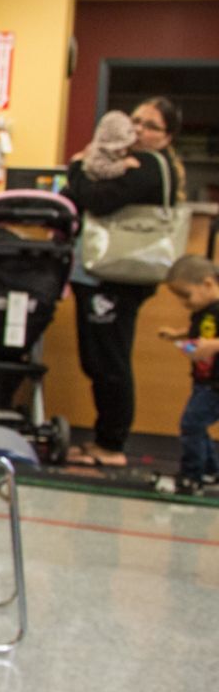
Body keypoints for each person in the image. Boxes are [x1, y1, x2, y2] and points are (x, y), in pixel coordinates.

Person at [65, 96, 186, 468]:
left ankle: (111, 445)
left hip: (116, 281)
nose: (138, 130)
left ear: (166, 137)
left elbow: (95, 199)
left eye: (150, 126)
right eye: (134, 121)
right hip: (104, 277)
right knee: (99, 358)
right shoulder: (128, 162)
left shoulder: (149, 165)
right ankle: (105, 438)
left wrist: (75, 167)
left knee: (109, 361)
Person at [155, 255, 219, 496]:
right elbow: (199, 332)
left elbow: (210, 339)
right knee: (197, 426)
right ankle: (210, 470)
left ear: (208, 284)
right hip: (204, 381)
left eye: (186, 295)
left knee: (191, 425)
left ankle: (192, 474)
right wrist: (178, 334)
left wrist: (212, 347)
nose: (184, 303)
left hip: (215, 384)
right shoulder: (205, 310)